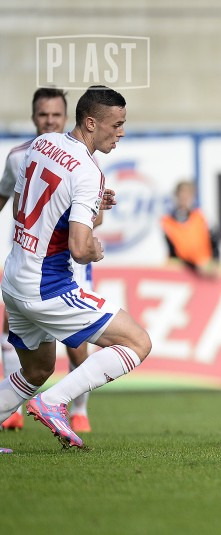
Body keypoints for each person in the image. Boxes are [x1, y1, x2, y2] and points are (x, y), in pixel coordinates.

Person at [0, 85, 151, 449]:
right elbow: (80, 249)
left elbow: (24, 206)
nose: (121, 132)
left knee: (37, 369)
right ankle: (54, 402)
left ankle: (48, 397)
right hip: (46, 285)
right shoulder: (87, 171)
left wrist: (89, 204)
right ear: (90, 123)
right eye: (116, 124)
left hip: (14, 279)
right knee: (137, 342)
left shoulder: (41, 145)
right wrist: (96, 250)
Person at [0, 88, 95, 434]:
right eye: (44, 115)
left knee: (77, 345)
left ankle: (79, 410)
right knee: (14, 335)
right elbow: (4, 197)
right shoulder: (18, 156)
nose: (50, 121)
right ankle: (15, 409)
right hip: (27, 263)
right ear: (33, 117)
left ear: (66, 117)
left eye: (56, 115)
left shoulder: (82, 160)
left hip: (67, 266)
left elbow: (92, 220)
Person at [160, 180, 219, 277]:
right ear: (176, 196)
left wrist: (215, 262)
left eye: (188, 194)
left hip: (205, 270)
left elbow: (214, 240)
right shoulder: (167, 221)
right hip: (183, 272)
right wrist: (193, 267)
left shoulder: (201, 217)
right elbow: (171, 253)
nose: (184, 197)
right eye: (181, 194)